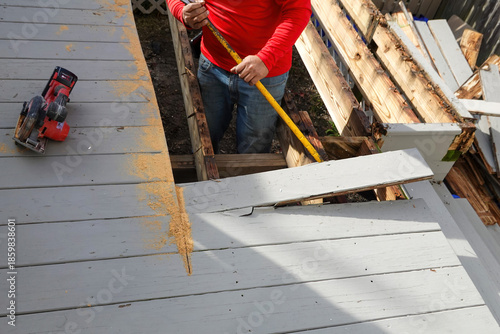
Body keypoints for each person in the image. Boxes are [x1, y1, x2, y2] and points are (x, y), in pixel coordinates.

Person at [166, 0, 312, 153]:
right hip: (212, 65)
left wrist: (266, 58)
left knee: (254, 149)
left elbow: (298, 11)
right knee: (206, 134)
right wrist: (182, 12)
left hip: (263, 73)